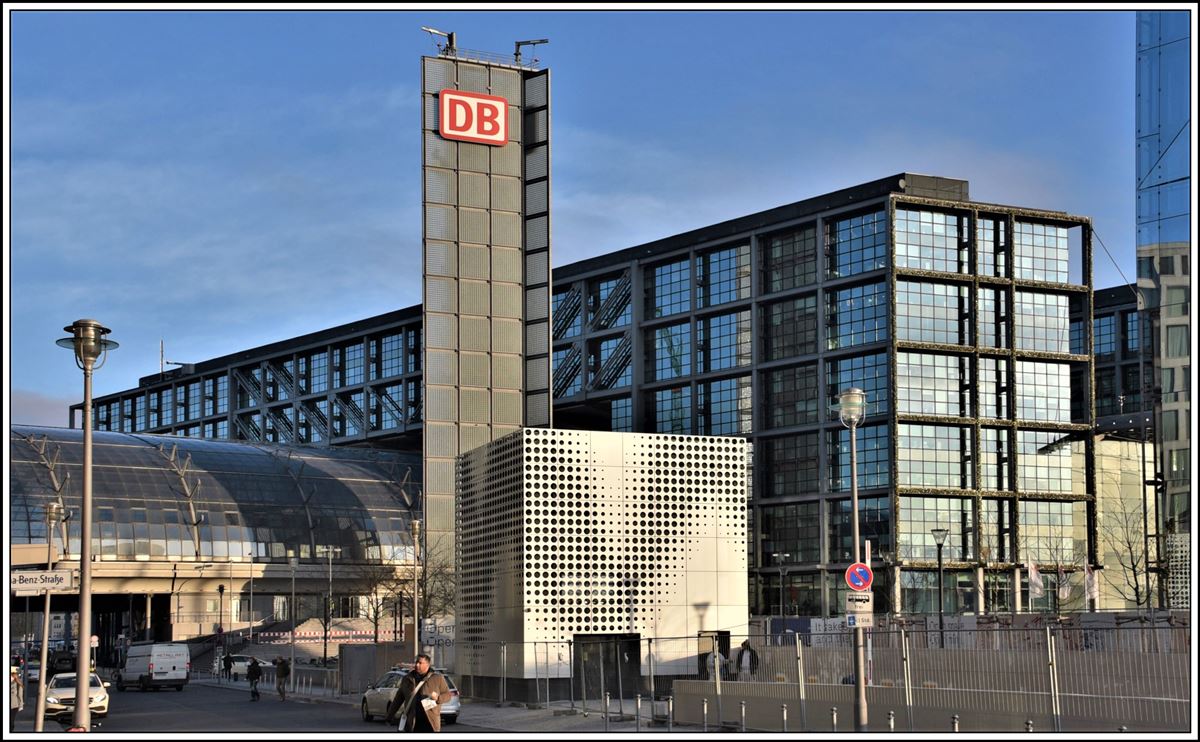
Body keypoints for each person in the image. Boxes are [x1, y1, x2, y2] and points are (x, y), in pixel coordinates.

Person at [385, 654, 450, 733]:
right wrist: (389, 717)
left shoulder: (437, 678)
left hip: (430, 722)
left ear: (428, 664)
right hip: (412, 722)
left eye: (420, 663)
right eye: (416, 662)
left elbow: (448, 695)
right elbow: (397, 700)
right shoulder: (407, 679)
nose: (417, 665)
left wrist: (438, 698)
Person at [10, 666, 25, 733]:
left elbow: (20, 695)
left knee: (11, 721)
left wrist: (21, 705)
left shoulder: (18, 683)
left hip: (13, 705)